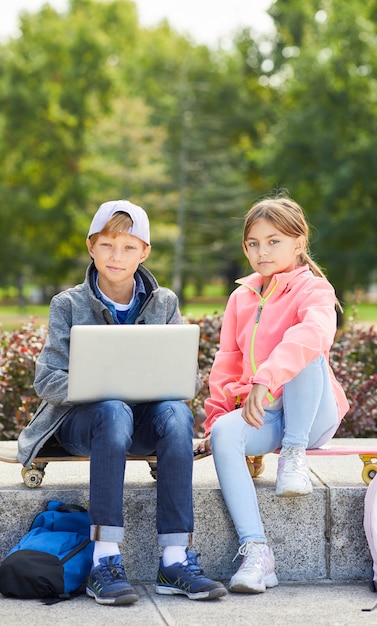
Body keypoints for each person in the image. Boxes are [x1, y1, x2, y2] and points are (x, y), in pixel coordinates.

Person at [17, 199, 227, 605]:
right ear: (91, 247)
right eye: (108, 245)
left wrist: (168, 382)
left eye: (129, 247)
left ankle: (175, 559)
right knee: (112, 409)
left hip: (143, 423)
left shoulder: (164, 302)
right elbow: (46, 379)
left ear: (145, 252)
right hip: (85, 424)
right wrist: (98, 387)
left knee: (177, 413)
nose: (117, 256)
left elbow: (185, 379)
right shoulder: (68, 304)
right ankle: (104, 560)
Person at [195, 194, 349, 594]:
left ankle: (294, 456)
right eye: (253, 243)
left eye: (273, 241)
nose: (262, 251)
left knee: (305, 352)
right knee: (228, 432)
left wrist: (265, 377)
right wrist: (215, 423)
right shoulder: (240, 298)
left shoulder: (314, 289)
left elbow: (314, 335)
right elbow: (226, 363)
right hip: (269, 414)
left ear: (299, 243)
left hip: (312, 415)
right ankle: (257, 553)